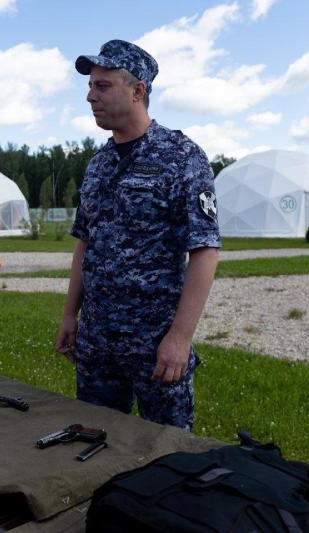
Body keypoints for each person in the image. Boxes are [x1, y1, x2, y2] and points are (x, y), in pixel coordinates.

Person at [55, 40, 220, 431]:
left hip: (155, 343)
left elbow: (205, 251)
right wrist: (69, 315)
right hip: (97, 342)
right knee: (95, 443)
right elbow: (85, 242)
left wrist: (179, 338)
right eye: (91, 86)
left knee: (167, 454)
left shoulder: (181, 156)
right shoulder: (99, 164)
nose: (90, 96)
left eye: (102, 86)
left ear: (138, 90)